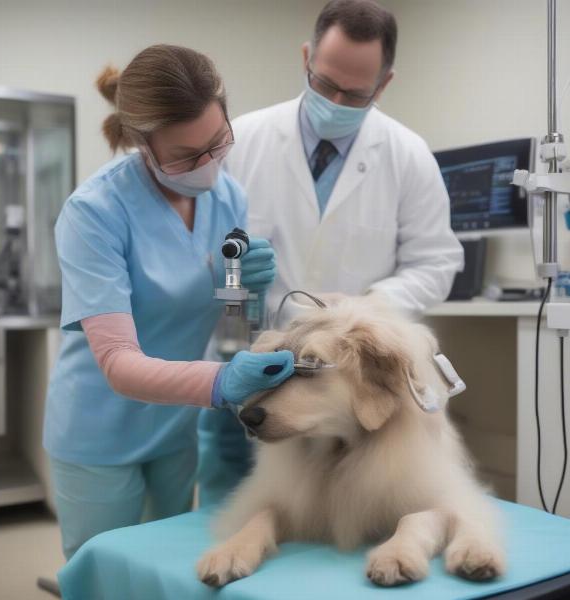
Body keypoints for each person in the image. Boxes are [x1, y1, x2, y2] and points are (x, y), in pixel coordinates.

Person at [198, 0, 464, 504]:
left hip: (342, 387)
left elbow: (436, 263)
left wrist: (367, 308)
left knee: (333, 521)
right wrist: (233, 279)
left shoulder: (408, 157)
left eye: (355, 92)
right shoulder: (242, 141)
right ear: (306, 57)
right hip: (246, 360)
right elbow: (205, 253)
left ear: (383, 84)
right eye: (324, 83)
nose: (335, 99)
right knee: (231, 519)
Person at [43, 44, 294, 561]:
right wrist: (222, 382)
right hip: (99, 432)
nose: (207, 165)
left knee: (169, 569)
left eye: (218, 142)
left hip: (176, 422)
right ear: (140, 142)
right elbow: (117, 363)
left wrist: (250, 292)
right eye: (184, 154)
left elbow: (230, 311)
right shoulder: (94, 214)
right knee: (104, 575)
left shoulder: (229, 197)